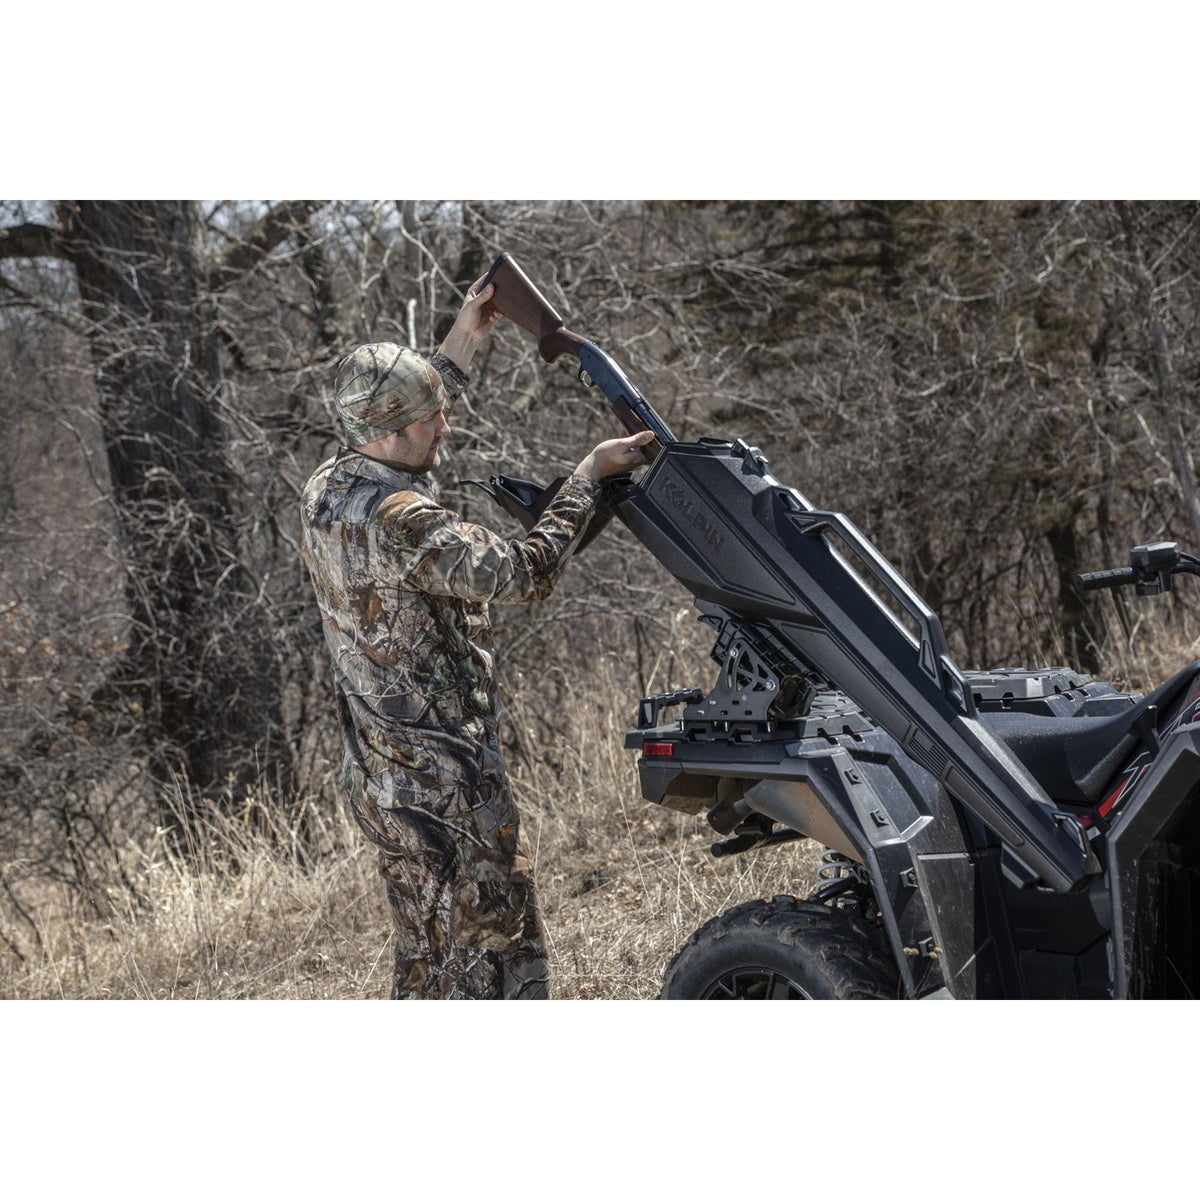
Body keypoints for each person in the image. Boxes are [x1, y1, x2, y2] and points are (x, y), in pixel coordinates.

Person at [301, 274, 653, 999]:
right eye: (431, 419)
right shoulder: (403, 521)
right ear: (388, 432)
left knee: (427, 955)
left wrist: (463, 338)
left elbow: (405, 415)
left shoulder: (325, 487)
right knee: (497, 959)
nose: (446, 428)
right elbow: (525, 570)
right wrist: (587, 475)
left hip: (382, 782)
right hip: (449, 785)